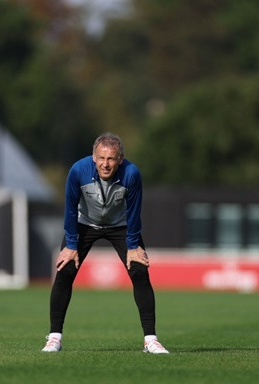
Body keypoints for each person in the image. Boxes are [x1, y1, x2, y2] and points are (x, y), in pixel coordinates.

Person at [42, 132, 169, 354]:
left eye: (111, 159)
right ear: (93, 157)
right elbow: (70, 209)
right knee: (65, 270)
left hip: (121, 226)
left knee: (139, 271)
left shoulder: (132, 174)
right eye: (101, 158)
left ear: (120, 159)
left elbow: (134, 212)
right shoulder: (78, 171)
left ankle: (150, 340)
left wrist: (132, 246)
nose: (105, 164)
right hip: (84, 224)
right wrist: (71, 245)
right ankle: (54, 338)